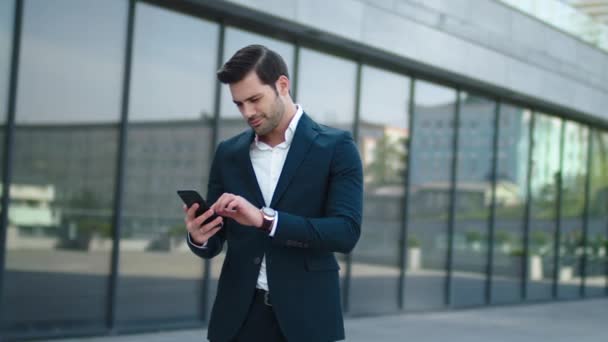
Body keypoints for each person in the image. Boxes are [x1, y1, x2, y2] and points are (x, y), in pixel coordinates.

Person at [184, 44, 363, 342]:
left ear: (282, 85)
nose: (248, 112)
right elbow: (215, 240)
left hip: (308, 320)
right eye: (239, 104)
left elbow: (345, 232)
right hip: (239, 319)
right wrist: (199, 236)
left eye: (254, 99)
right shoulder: (228, 154)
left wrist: (266, 220)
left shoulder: (337, 147)